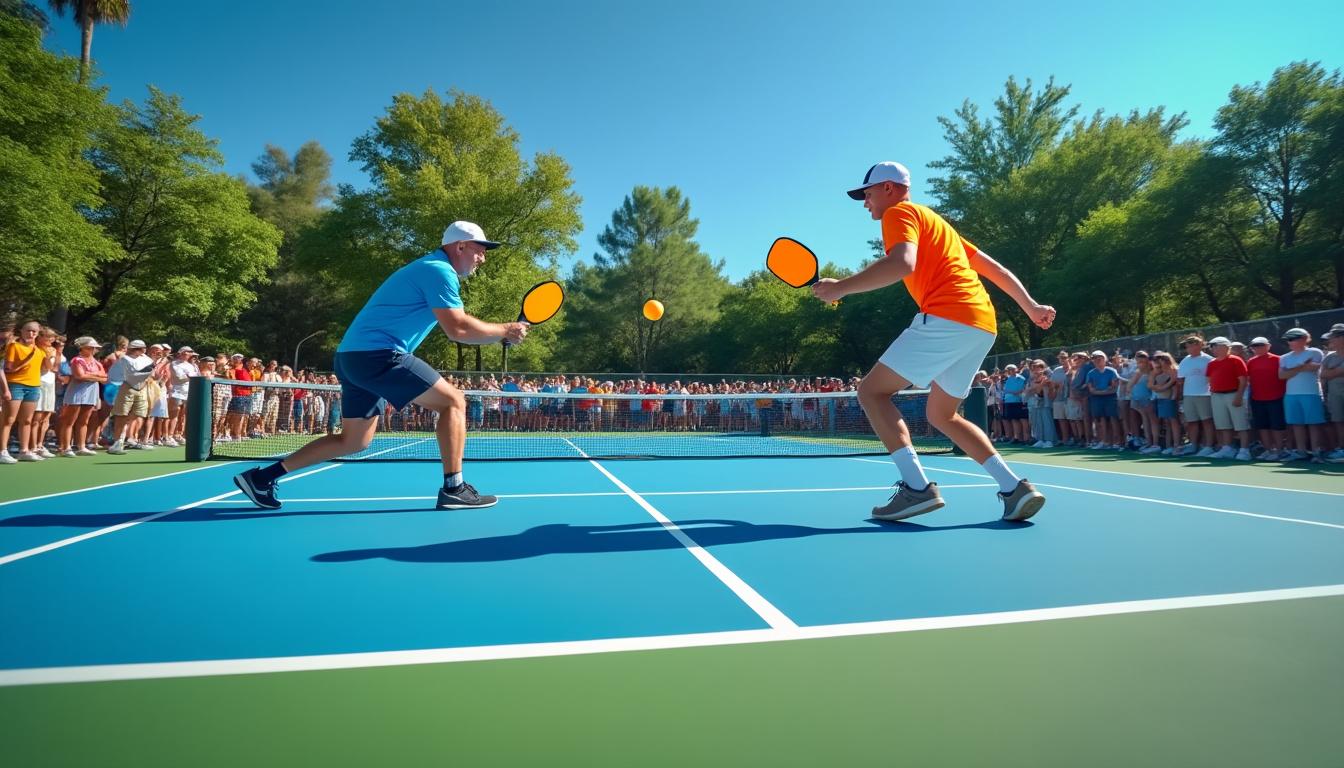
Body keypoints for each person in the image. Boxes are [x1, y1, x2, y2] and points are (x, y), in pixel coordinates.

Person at [811, 161, 1054, 522]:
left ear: (889, 188)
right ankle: (1014, 487)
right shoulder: (939, 225)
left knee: (872, 392)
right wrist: (1031, 306)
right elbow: (996, 269)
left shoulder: (898, 213)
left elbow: (902, 263)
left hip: (948, 315)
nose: (865, 203)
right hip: (982, 323)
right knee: (941, 414)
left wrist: (840, 288)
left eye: (868, 194)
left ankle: (917, 489)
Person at [233, 221, 526, 510]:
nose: (483, 258)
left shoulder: (428, 268)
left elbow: (459, 327)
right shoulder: (439, 270)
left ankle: (261, 478)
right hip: (378, 354)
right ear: (460, 246)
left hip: (351, 357)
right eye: (479, 249)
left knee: (354, 441)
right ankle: (454, 489)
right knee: (453, 402)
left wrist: (500, 333)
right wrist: (504, 330)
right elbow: (458, 329)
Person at [1, 321, 50, 463]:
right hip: (15, 385)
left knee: (27, 420)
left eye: (34, 331)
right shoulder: (14, 346)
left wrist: (48, 352)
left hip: (34, 386)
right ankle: (2, 451)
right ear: (22, 331)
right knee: (9, 419)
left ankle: (24, 450)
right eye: (28, 330)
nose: (31, 333)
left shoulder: (40, 350)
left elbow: (49, 368)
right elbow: (8, 368)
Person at [1278, 327, 1328, 462]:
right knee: (1296, 424)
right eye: (1288, 340)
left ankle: (1316, 452)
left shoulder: (1315, 352)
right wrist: (1301, 366)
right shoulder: (1284, 357)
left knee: (1313, 424)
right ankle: (1301, 452)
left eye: (1292, 339)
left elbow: (1314, 367)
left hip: (1311, 393)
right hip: (1291, 395)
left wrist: (1292, 370)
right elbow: (1282, 375)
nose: (1289, 342)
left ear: (1304, 339)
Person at [1204, 336, 1252, 460]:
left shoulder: (1236, 360)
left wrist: (1239, 396)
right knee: (1223, 424)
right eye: (1212, 346)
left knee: (1241, 425)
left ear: (1225, 346)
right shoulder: (1211, 363)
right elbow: (1209, 380)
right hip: (1216, 395)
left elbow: (1243, 381)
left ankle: (1244, 450)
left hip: (1234, 394)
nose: (1212, 349)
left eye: (1215, 346)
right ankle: (1227, 449)